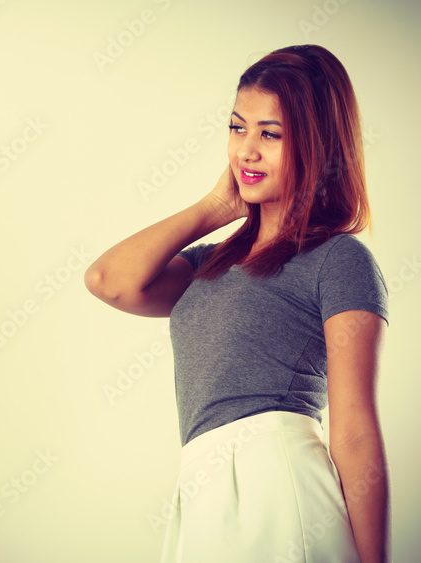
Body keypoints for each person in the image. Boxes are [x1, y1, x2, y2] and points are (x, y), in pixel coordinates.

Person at [85, 45, 389, 563]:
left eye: (270, 134)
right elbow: (108, 280)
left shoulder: (339, 259)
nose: (246, 150)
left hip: (277, 484)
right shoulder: (209, 261)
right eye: (236, 127)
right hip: (201, 489)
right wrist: (214, 208)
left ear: (316, 146)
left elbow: (356, 429)